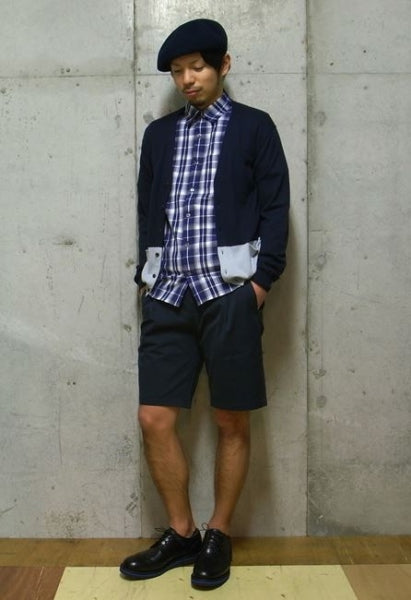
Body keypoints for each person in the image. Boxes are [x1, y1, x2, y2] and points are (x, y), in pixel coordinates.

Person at [120, 18, 289, 589]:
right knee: (154, 417)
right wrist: (147, 275)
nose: (187, 79)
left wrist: (260, 283)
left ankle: (219, 532)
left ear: (223, 66)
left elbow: (276, 207)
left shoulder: (254, 127)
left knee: (229, 418)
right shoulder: (159, 135)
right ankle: (182, 533)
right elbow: (147, 207)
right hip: (169, 293)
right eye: (177, 71)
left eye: (197, 67)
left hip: (229, 293)